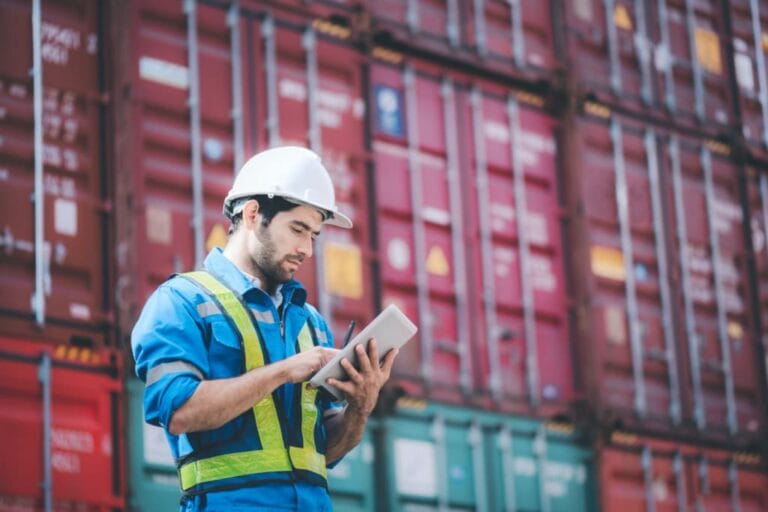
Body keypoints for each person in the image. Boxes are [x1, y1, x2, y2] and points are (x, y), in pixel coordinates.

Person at [131, 146, 399, 511]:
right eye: (298, 229)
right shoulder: (181, 302)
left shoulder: (311, 323)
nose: (306, 248)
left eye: (314, 236)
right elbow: (179, 412)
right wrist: (285, 371)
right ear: (253, 214)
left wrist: (361, 406)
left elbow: (324, 453)